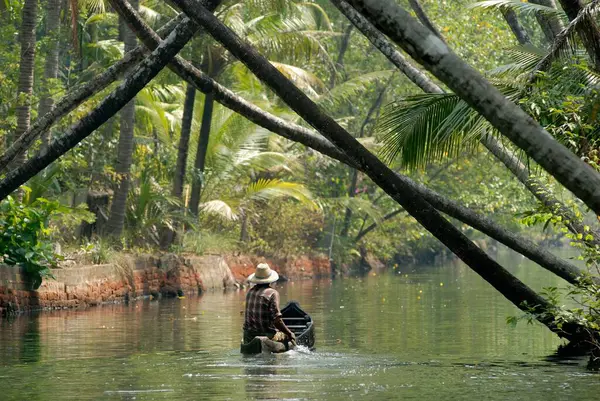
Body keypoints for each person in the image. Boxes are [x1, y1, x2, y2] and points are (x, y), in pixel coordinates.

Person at [242, 263, 296, 352]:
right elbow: (277, 320)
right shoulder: (272, 293)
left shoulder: (250, 292)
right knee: (288, 336)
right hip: (267, 335)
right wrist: (289, 333)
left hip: (249, 336)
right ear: (270, 280)